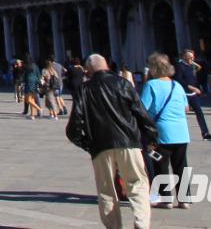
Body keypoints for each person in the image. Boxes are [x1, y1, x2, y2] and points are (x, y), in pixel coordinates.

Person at [66, 54, 157, 229]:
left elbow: (74, 126)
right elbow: (141, 113)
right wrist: (151, 138)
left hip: (100, 146)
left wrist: (87, 143)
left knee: (106, 191)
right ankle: (141, 224)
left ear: (88, 70)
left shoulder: (84, 89)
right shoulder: (123, 83)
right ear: (106, 65)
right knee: (137, 185)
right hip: (129, 143)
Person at [140, 53, 191, 209]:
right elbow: (186, 108)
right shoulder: (177, 85)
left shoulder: (151, 85)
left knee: (160, 164)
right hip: (181, 132)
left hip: (161, 133)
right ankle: (184, 199)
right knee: (181, 165)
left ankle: (166, 198)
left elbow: (142, 109)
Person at [174, 50, 211, 140]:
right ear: (184, 57)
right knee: (181, 114)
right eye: (190, 57)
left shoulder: (190, 66)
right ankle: (178, 134)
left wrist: (197, 87)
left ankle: (205, 133)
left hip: (193, 94)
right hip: (183, 94)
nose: (192, 59)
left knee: (199, 113)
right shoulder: (179, 66)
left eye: (193, 57)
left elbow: (197, 70)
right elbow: (179, 80)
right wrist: (192, 88)